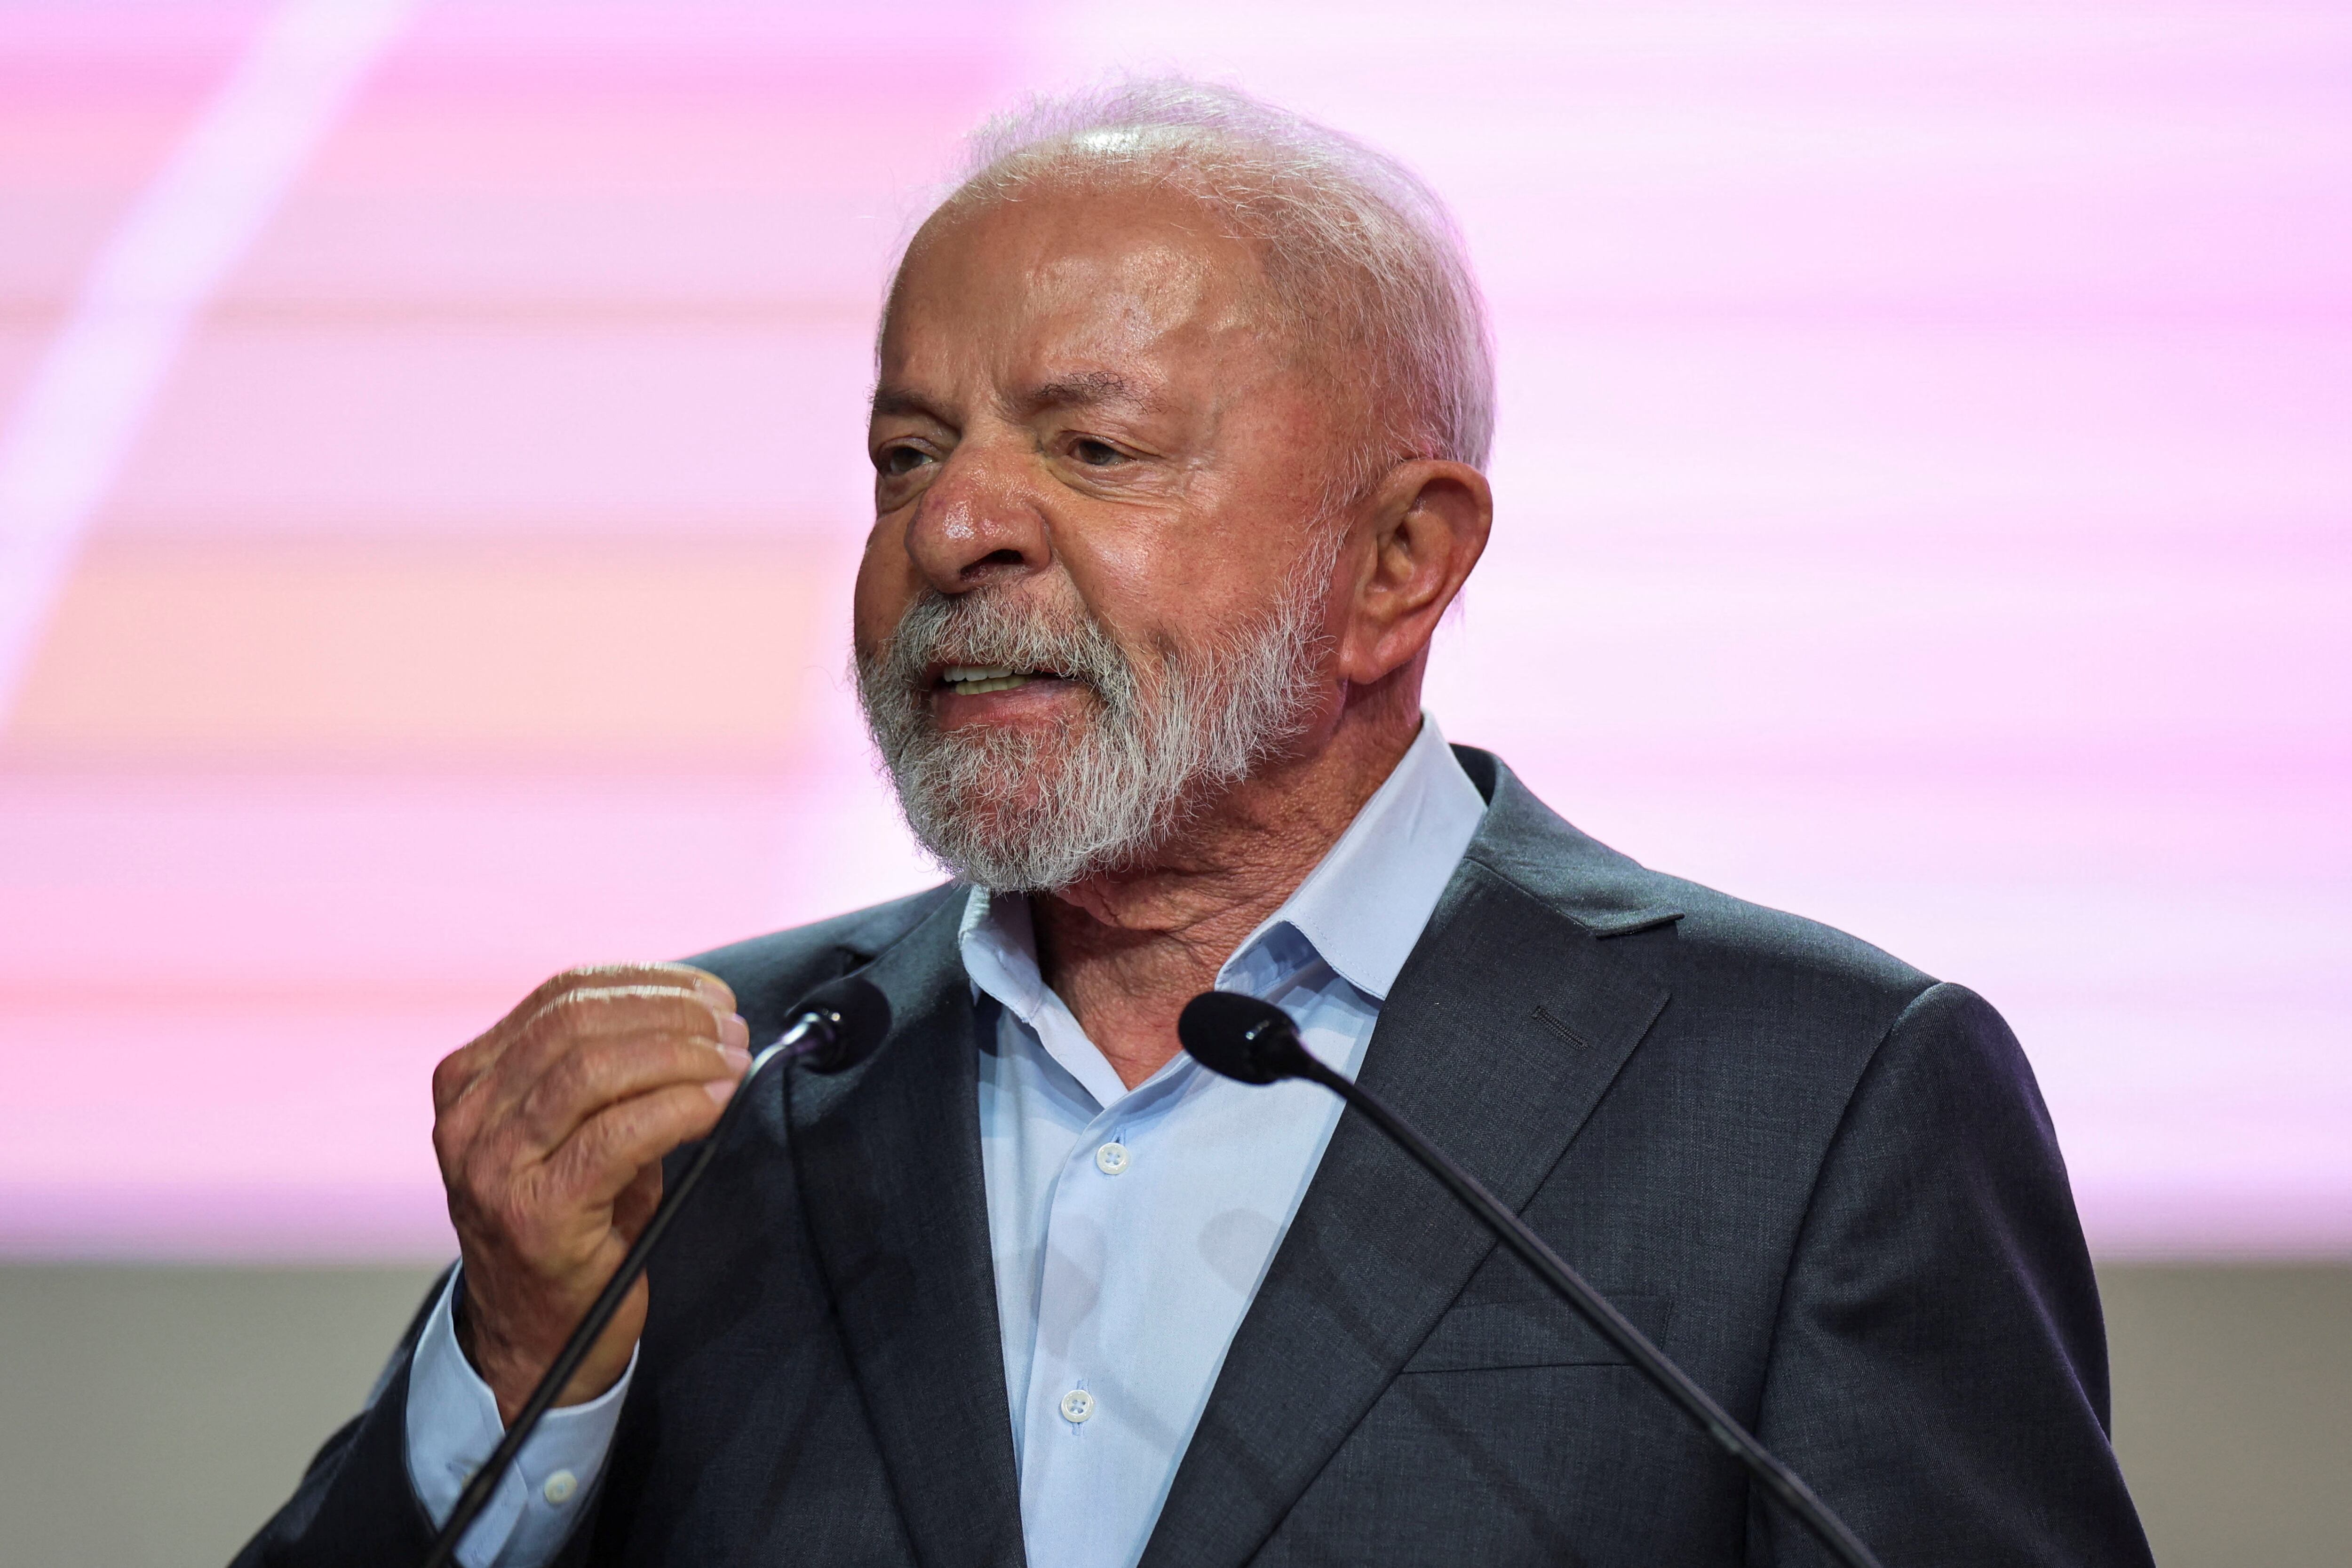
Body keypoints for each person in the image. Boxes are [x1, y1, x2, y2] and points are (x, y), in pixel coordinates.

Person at [237, 79, 2153, 1568]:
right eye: (906, 455)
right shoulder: (721, 1101)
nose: (950, 530)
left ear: (1398, 564)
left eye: (1088, 446)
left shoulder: (1808, 1102)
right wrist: (509, 1361)